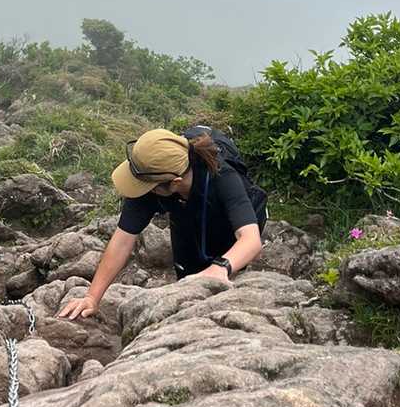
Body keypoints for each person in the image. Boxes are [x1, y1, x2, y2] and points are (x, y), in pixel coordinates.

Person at [57, 125, 266, 321]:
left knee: (225, 273)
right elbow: (122, 241)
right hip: (184, 213)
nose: (140, 190)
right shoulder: (147, 181)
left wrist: (221, 267)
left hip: (227, 220)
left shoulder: (222, 177)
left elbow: (250, 239)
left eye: (145, 186)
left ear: (174, 182)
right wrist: (92, 297)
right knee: (188, 279)